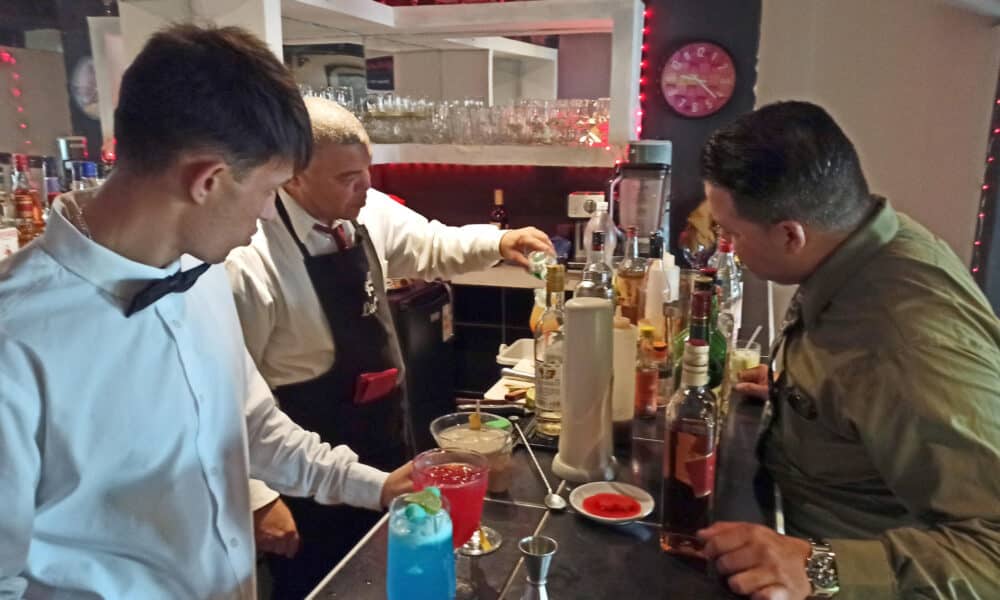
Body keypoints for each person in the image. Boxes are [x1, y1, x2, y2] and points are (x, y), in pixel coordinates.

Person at [0, 25, 413, 600]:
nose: (270, 210)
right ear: (209, 181)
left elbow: (253, 428)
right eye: (270, 189)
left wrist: (377, 486)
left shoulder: (200, 274)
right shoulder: (14, 341)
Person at [225, 96, 553, 597]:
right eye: (346, 178)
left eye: (367, 171)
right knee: (325, 583)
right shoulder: (248, 258)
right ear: (292, 177)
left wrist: (497, 242)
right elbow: (229, 402)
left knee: (392, 573)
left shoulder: (365, 209)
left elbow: (430, 244)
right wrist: (256, 499)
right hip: (303, 468)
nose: (366, 187)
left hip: (384, 440)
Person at [695, 100, 1000, 600]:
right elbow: (867, 391)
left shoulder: (904, 343)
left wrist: (820, 568)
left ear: (791, 234)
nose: (726, 247)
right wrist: (802, 388)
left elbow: (992, 549)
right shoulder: (865, 242)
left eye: (732, 234)